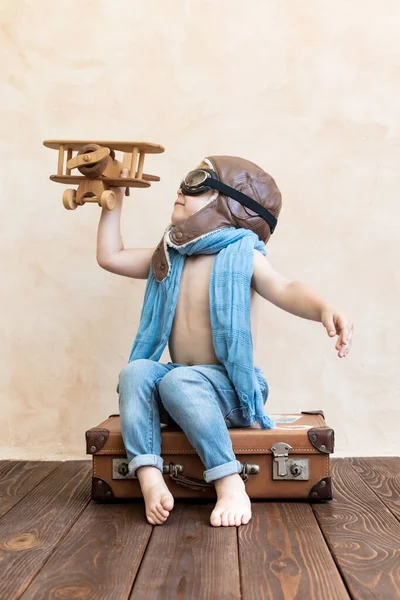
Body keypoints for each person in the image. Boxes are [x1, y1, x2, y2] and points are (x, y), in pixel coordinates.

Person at [96, 156, 354, 528]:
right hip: (178, 388)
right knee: (137, 372)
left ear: (232, 203)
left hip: (230, 390)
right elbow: (111, 256)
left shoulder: (242, 256)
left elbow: (285, 288)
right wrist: (113, 199)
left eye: (198, 181)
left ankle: (229, 481)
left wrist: (324, 308)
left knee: (178, 380)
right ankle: (150, 478)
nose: (181, 189)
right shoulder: (169, 255)